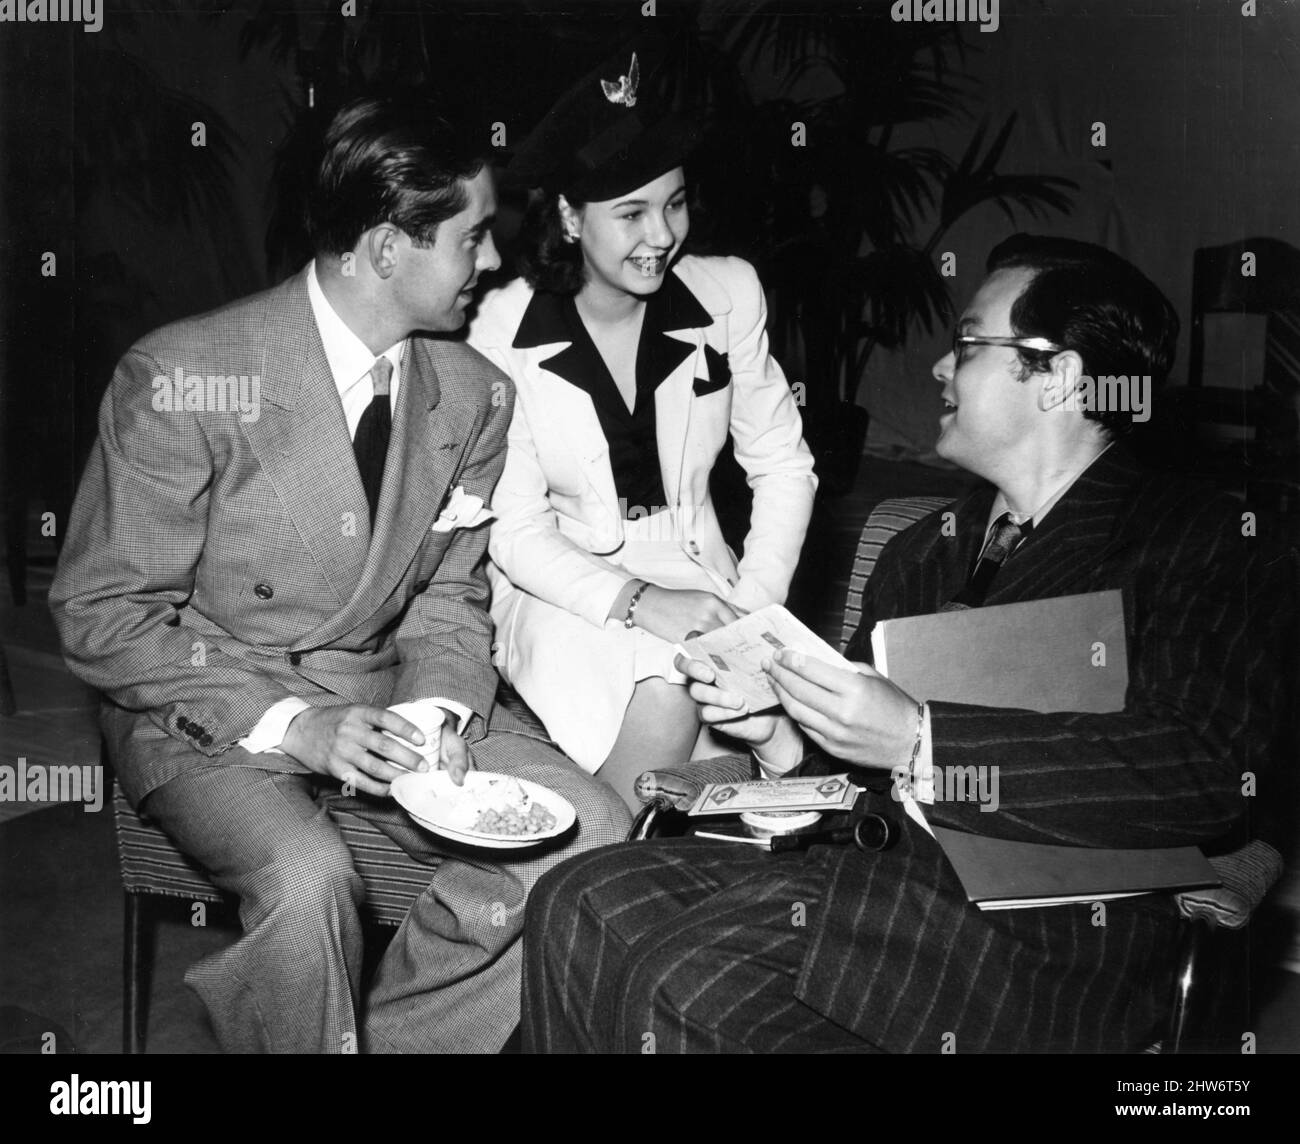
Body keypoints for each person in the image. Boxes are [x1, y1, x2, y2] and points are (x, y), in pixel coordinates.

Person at [520, 234, 1297, 1053]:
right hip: (866, 875)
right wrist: (781, 734)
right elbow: (845, 780)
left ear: (1060, 378)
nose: (937, 367)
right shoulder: (926, 546)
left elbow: (1203, 772)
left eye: (967, 345)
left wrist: (922, 741)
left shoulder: (1206, 540)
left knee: (686, 981)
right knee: (577, 899)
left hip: (1045, 929)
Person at [50, 95, 631, 1055]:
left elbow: (450, 591)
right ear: (386, 245)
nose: (493, 263)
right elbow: (103, 613)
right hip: (208, 706)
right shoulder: (188, 374)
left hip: (386, 698)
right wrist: (294, 725)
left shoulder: (476, 394)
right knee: (307, 873)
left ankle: (401, 1039)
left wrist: (437, 712)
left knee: (592, 827)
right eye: (473, 237)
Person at [467, 48, 817, 807]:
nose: (662, 235)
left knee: (739, 730)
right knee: (667, 691)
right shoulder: (499, 327)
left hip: (705, 574)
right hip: (564, 585)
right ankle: (596, 899)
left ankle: (596, 898)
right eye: (630, 213)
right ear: (567, 215)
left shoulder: (728, 293)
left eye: (675, 203)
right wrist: (637, 601)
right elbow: (516, 529)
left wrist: (752, 606)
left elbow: (784, 466)